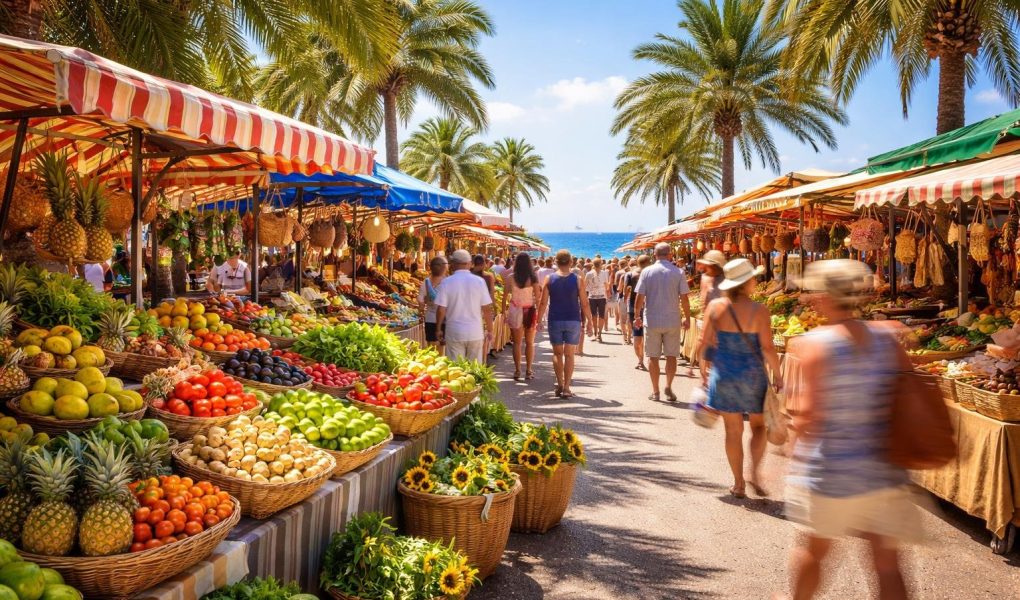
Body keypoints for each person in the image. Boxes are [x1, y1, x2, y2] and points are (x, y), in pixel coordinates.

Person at [780, 260, 919, 600]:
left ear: (827, 296)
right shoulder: (889, 337)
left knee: (814, 551)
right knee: (887, 564)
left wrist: (788, 450)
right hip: (883, 468)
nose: (812, 299)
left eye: (816, 292)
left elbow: (810, 415)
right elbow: (906, 397)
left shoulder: (815, 344)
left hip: (832, 470)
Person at [699, 258, 782, 499]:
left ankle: (738, 484)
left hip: (724, 374)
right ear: (747, 282)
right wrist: (778, 375)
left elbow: (705, 343)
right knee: (758, 427)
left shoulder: (715, 307)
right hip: (753, 374)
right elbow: (767, 347)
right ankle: (754, 473)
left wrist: (704, 371)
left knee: (732, 431)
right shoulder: (759, 310)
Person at [633, 243, 692, 402]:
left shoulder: (646, 271)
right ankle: (669, 386)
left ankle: (656, 391)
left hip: (652, 319)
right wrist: (687, 316)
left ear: (655, 255)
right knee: (671, 355)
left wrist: (637, 315)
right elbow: (684, 298)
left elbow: (640, 296)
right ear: (670, 254)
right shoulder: (678, 272)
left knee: (653, 357)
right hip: (672, 319)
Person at [538, 250, 592, 398]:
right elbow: (585, 303)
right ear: (570, 263)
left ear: (556, 262)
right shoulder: (577, 279)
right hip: (573, 320)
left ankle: (560, 383)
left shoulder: (549, 279)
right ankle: (567, 387)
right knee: (569, 355)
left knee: (557, 353)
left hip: (555, 319)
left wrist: (538, 320)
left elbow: (543, 302)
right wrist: (590, 322)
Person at [435, 250, 494, 363]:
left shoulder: (446, 282)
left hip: (454, 332)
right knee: (474, 371)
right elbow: (487, 309)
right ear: (469, 263)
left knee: (456, 372)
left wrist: (438, 329)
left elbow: (441, 309)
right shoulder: (479, 281)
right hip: (475, 332)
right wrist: (490, 330)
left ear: (453, 264)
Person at [502, 253, 541, 380]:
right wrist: (539, 315)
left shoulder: (510, 277)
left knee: (517, 343)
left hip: (515, 310)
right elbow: (538, 298)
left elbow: (504, 297)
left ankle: (517, 370)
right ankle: (529, 370)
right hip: (529, 310)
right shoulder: (533, 278)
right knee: (530, 343)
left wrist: (503, 312)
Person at [418, 256, 448, 350]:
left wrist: (421, 310)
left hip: (430, 319)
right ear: (443, 268)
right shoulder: (447, 282)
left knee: (431, 347)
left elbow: (420, 300)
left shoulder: (426, 282)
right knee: (441, 347)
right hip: (444, 319)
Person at [626, 256, 651, 368]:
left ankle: (640, 360)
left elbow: (626, 290)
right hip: (649, 308)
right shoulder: (651, 274)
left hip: (633, 307)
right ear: (648, 262)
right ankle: (644, 359)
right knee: (646, 336)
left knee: (637, 336)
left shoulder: (630, 274)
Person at [470, 254, 498, 355]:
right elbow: (492, 294)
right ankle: (483, 356)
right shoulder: (488, 276)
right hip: (484, 308)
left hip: (471, 308)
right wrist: (494, 307)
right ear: (483, 264)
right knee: (484, 334)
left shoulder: (469, 275)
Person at [584, 259, 611, 343]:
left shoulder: (589, 274)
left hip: (592, 297)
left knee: (594, 316)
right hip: (601, 297)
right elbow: (607, 285)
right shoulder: (604, 273)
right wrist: (607, 291)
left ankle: (596, 334)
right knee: (601, 316)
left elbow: (584, 286)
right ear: (601, 264)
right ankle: (599, 334)